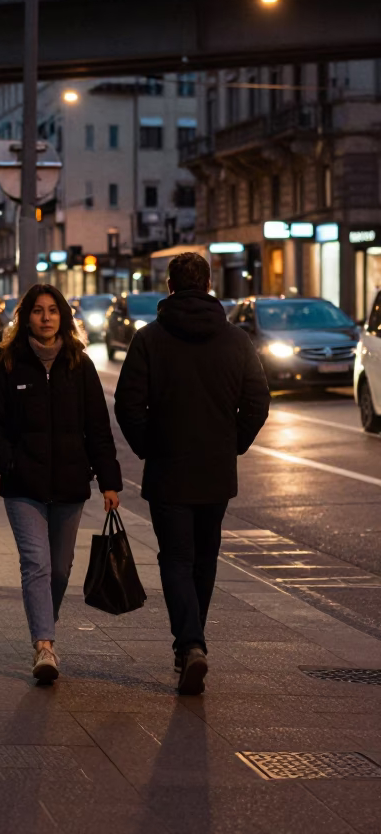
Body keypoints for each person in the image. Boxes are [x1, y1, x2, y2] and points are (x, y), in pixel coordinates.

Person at [114, 252, 269, 695]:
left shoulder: (150, 339)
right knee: (204, 558)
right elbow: (258, 401)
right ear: (208, 282)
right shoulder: (236, 340)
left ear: (169, 285)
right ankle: (191, 645)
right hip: (216, 470)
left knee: (176, 558)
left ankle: (190, 643)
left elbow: (128, 404)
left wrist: (150, 446)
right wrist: (233, 443)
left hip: (168, 469)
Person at [0, 284, 122, 684]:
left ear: (63, 317)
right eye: (38, 311)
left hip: (72, 485)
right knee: (36, 564)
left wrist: (109, 481)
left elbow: (98, 428)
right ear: (26, 317)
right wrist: (9, 463)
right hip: (23, 486)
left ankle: (45, 622)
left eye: (52, 311)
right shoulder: (8, 364)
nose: (45, 317)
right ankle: (44, 646)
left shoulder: (80, 365)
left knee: (59, 570)